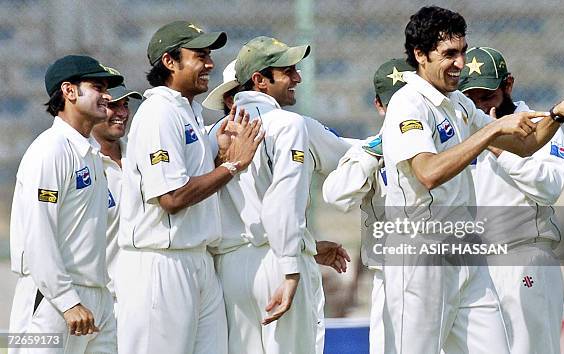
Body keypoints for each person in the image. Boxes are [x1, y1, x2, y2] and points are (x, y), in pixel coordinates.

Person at [381, 6, 564, 354]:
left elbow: (523, 144)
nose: (459, 63)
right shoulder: (408, 105)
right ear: (420, 56)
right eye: (449, 54)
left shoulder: (458, 106)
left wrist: (557, 115)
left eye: (462, 51)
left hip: (469, 258)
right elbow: (428, 173)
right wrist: (493, 129)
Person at [115, 21, 263, 354]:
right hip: (159, 264)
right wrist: (232, 165)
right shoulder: (158, 113)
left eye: (209, 55)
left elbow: (188, 183)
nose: (209, 63)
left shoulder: (189, 112)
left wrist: (218, 156)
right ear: (169, 61)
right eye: (199, 55)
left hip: (198, 260)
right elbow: (171, 197)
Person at [208, 37, 350, 354]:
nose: (297, 78)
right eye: (288, 71)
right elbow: (283, 202)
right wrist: (290, 267)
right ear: (259, 80)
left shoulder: (211, 133)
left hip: (227, 269)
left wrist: (307, 248)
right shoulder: (288, 125)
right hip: (277, 263)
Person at [9, 54, 124, 354]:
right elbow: (38, 233)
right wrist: (66, 300)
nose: (107, 96)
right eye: (98, 86)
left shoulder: (92, 155)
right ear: (69, 91)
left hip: (97, 298)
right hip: (50, 301)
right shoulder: (50, 151)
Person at [459, 47, 564, 354]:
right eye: (472, 99)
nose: (481, 107)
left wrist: (497, 145)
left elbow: (549, 187)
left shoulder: (542, 124)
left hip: (522, 256)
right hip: (473, 264)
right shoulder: (463, 130)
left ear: (508, 85)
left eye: (488, 97)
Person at [322, 58, 413, 354]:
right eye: (393, 103)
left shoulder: (445, 142)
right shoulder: (370, 150)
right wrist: (373, 153)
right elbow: (337, 196)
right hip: (393, 278)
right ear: (379, 105)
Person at [90, 80, 142, 311]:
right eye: (114, 106)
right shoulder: (80, 161)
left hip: (141, 293)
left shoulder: (140, 152)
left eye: (126, 105)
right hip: (98, 298)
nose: (122, 113)